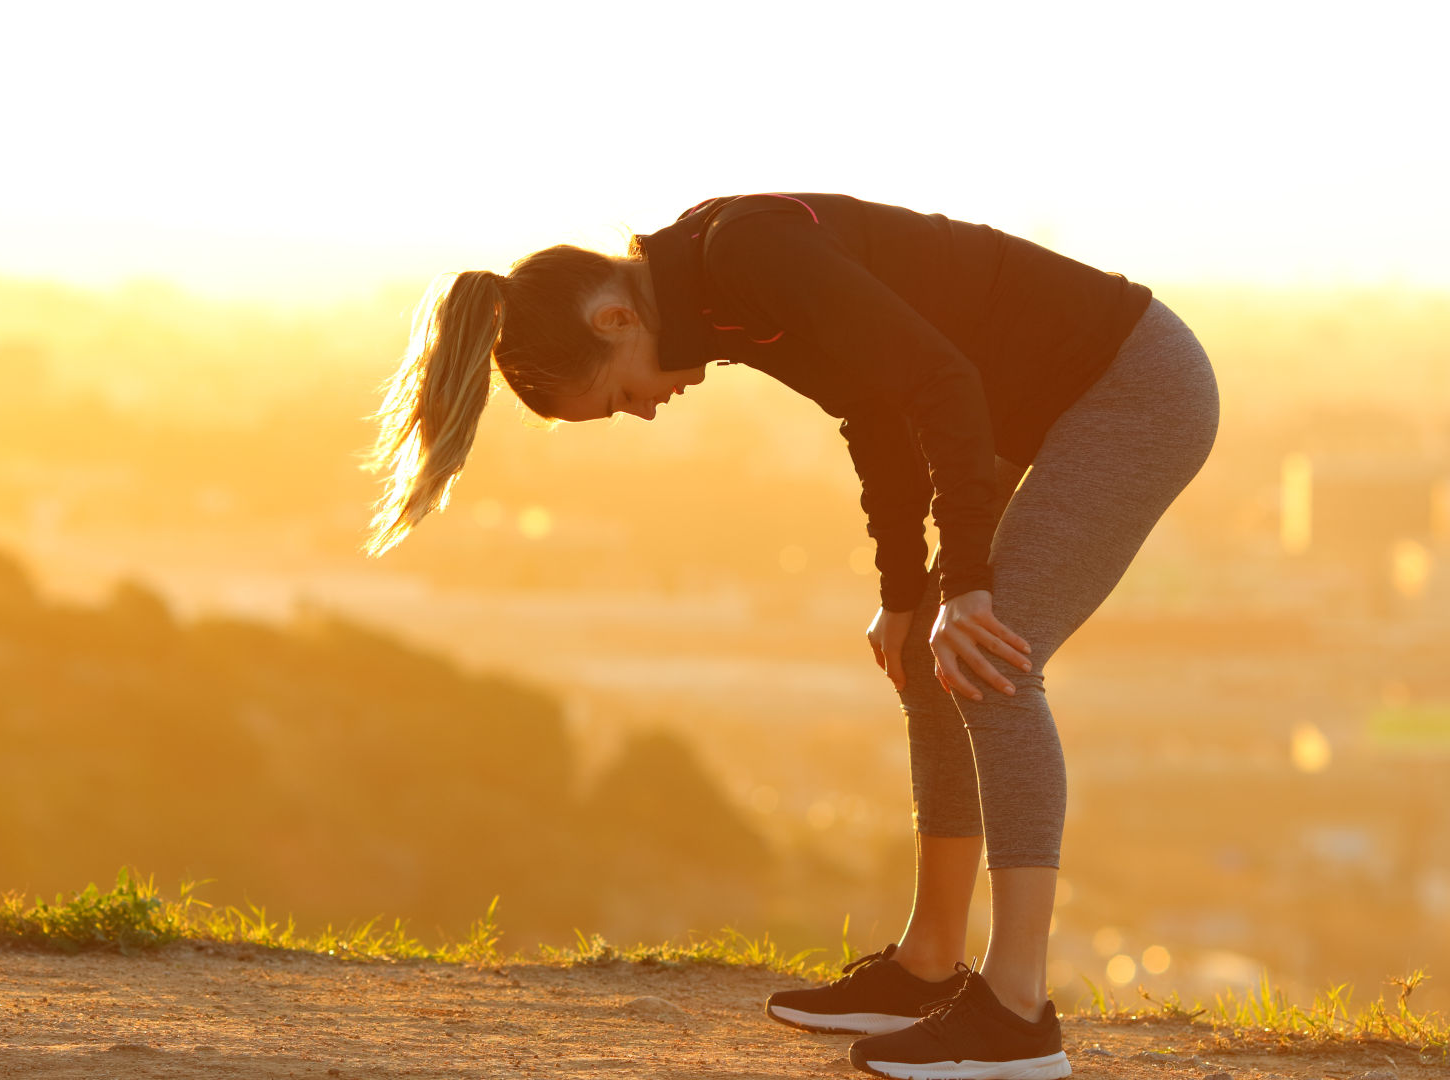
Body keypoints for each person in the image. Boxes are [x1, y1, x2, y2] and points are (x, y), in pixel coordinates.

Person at [359, 192, 1220, 1079]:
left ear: (614, 316)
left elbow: (939, 384)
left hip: (1130, 386)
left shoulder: (747, 259)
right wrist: (903, 595)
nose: (647, 413)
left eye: (620, 395)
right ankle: (928, 965)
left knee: (993, 657)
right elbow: (877, 410)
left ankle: (1018, 1015)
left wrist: (966, 585)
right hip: (1032, 400)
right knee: (932, 654)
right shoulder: (714, 288)